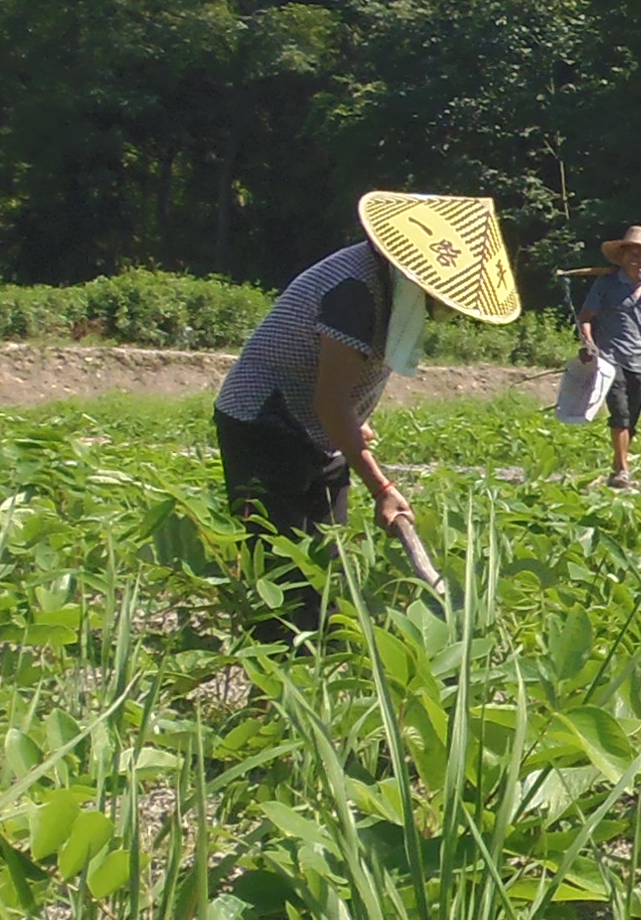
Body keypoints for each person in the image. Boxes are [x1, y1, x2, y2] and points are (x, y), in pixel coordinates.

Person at [211, 192, 522, 615]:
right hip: (265, 422)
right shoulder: (356, 290)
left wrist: (351, 425)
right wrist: (383, 488)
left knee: (324, 563)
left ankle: (315, 657)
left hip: (318, 429)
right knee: (281, 573)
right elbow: (331, 401)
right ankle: (279, 664)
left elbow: (338, 398)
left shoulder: (389, 284)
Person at [575, 224, 641, 489]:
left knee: (631, 418)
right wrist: (589, 345)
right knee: (619, 414)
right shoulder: (607, 284)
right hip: (611, 359)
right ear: (622, 257)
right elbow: (585, 319)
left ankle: (619, 463)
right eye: (631, 253)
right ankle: (622, 469)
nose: (637, 259)